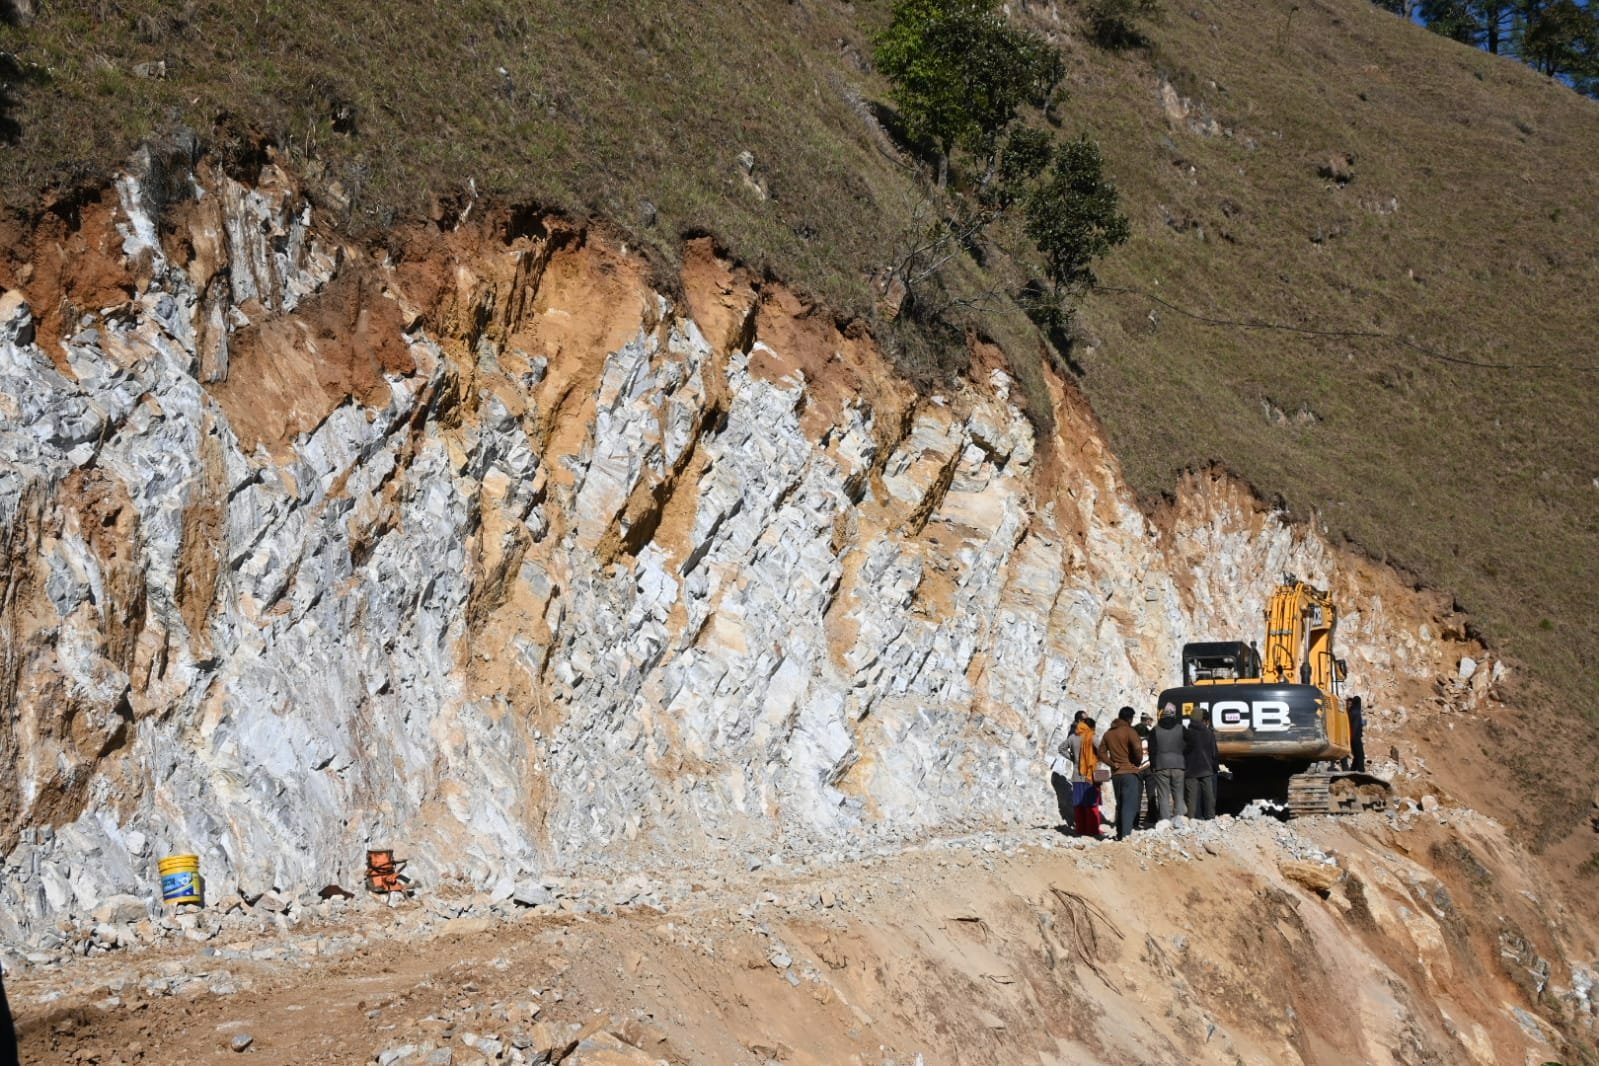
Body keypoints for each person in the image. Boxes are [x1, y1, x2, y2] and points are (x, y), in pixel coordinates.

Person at [1098, 706, 1145, 840]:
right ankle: (1126, 836)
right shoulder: (1130, 731)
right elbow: (1137, 749)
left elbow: (1101, 753)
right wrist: (1137, 761)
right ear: (1130, 718)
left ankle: (1120, 834)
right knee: (1129, 805)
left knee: (1121, 804)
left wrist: (1112, 764)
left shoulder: (1108, 733)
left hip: (1116, 774)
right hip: (1129, 772)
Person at [1147, 702, 1187, 822]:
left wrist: (1153, 765)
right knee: (1179, 795)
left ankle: (1164, 822)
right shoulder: (1181, 728)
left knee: (1163, 795)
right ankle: (1179, 820)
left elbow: (1151, 750)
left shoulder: (1155, 730)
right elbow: (1189, 745)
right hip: (1179, 765)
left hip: (1161, 765)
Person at [1067, 716, 1103, 838]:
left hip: (1077, 775)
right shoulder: (1092, 737)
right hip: (1090, 775)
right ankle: (1092, 830)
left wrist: (1073, 758)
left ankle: (1080, 829)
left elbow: (1061, 748)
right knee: (1091, 803)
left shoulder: (1073, 737)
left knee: (1078, 803)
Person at [1183, 706, 1220, 820]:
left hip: (1190, 770)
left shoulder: (1187, 733)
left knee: (1191, 797)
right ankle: (1210, 818)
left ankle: (1192, 820)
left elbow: (1183, 750)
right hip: (1206, 769)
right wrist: (1215, 767)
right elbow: (1214, 753)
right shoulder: (1209, 733)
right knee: (1209, 796)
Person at [1135, 713, 1158, 828]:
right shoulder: (1150, 733)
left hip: (1137, 767)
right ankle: (1153, 818)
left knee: (1137, 795)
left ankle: (1135, 820)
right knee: (1151, 794)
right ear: (1147, 720)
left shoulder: (1134, 732)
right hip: (1149, 766)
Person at [1049, 737, 1075, 826]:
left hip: (1061, 777)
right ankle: (1071, 822)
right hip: (1059, 776)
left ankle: (1072, 822)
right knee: (1068, 801)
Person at [1347, 696, 1366, 773]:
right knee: (1361, 755)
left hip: (1351, 737)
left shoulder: (1350, 712)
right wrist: (1354, 737)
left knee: (1357, 756)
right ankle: (1361, 771)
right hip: (1355, 737)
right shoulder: (1356, 712)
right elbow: (1355, 726)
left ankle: (1352, 771)